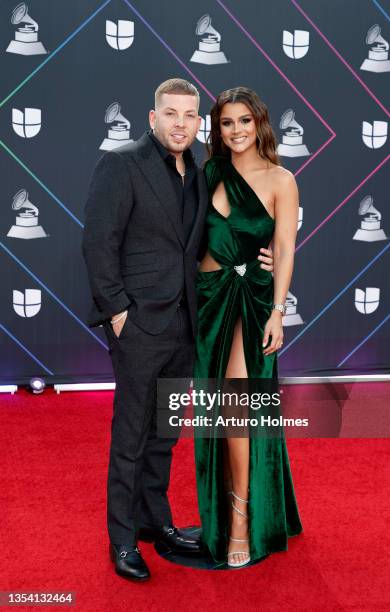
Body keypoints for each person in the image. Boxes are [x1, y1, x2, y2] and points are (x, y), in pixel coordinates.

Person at [82, 78, 275, 581]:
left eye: (191, 116)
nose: (180, 124)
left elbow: (222, 232)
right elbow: (99, 244)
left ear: (198, 124)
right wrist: (119, 311)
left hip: (188, 322)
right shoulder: (121, 164)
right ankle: (122, 541)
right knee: (131, 436)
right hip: (139, 324)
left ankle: (156, 523)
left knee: (165, 434)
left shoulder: (202, 172)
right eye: (171, 114)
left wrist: (263, 254)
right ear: (153, 118)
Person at [194, 87, 303, 568]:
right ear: (216, 130)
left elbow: (284, 250)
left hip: (252, 302)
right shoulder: (207, 173)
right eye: (226, 123)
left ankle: (239, 517)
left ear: (259, 123)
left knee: (237, 402)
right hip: (207, 301)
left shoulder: (282, 179)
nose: (236, 131)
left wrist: (279, 309)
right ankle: (245, 504)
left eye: (244, 121)